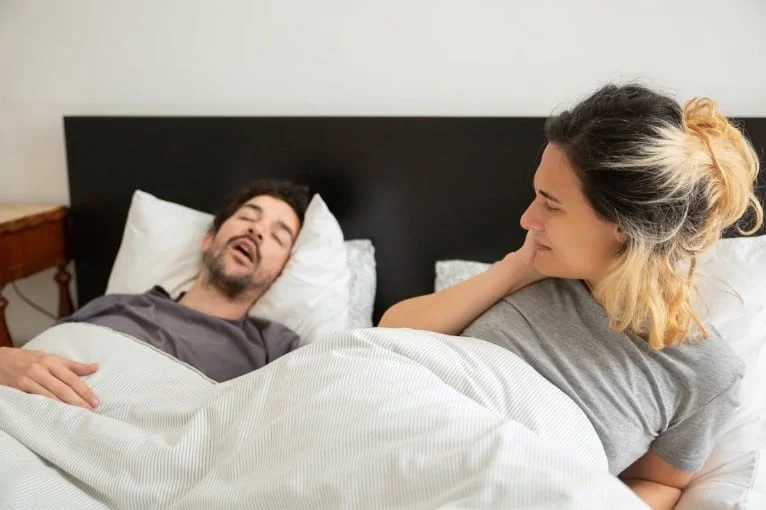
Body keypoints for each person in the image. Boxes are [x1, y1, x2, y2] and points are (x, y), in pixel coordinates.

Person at [380, 84, 763, 510]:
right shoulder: (539, 269)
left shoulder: (706, 374)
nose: (528, 218)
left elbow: (661, 485)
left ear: (624, 224)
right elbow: (390, 337)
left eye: (551, 204)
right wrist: (514, 268)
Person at [0, 179, 309, 409]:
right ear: (209, 239)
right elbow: (38, 359)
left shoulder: (273, 347)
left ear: (281, 272)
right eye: (247, 217)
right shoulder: (116, 305)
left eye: (277, 236)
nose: (256, 231)